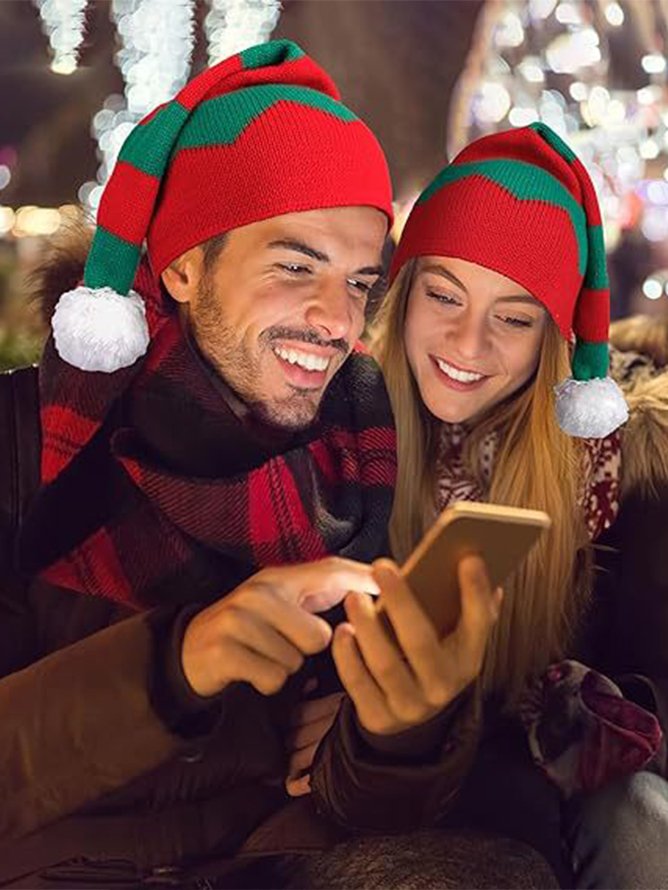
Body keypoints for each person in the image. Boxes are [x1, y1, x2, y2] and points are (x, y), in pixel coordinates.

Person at [0, 38, 404, 886]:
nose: (339, 321)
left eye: (361, 282)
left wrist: (395, 729)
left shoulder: (360, 451)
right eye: (297, 266)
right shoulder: (26, 442)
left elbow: (354, 795)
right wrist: (174, 668)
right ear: (184, 266)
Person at [310, 123, 668, 888]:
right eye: (444, 294)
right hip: (361, 799)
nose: (468, 344)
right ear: (403, 294)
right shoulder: (330, 427)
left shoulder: (609, 473)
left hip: (541, 804)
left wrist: (597, 708)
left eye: (513, 316)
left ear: (551, 339)